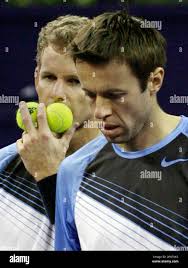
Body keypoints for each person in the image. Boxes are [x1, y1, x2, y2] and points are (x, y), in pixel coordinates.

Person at [55, 10, 188, 251]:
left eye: (114, 95)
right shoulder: (73, 171)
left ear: (154, 81)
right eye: (90, 94)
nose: (100, 111)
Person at [0, 15, 99, 250]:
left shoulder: (126, 171)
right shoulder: (3, 166)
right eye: (49, 77)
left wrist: (50, 175)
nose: (57, 93)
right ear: (36, 79)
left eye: (74, 81)